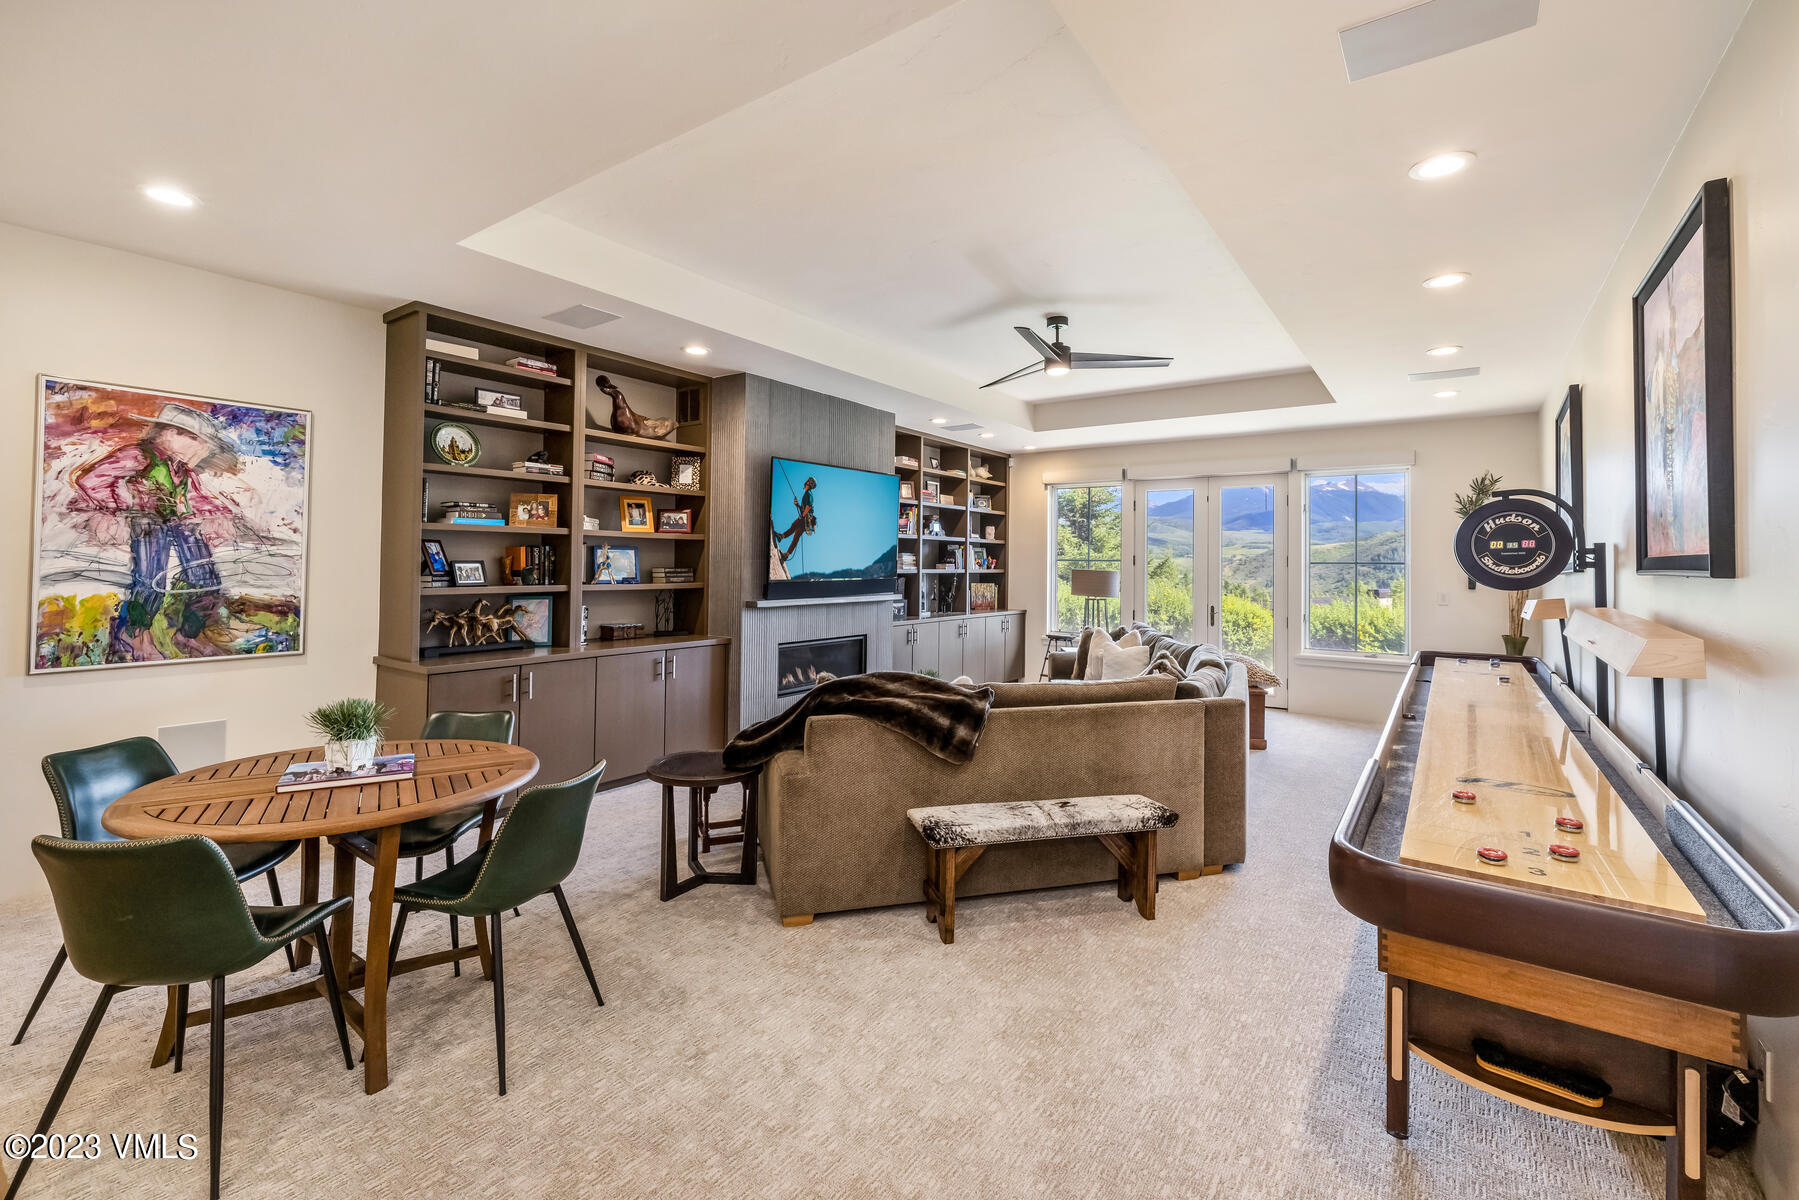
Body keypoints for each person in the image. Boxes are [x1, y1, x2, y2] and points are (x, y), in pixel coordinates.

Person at [70, 402, 241, 653]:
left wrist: (220, 515)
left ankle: (190, 633)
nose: (202, 449)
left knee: (206, 576)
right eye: (195, 439)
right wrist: (120, 507)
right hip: (147, 523)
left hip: (180, 523)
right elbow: (91, 480)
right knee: (150, 579)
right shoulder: (138, 455)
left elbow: (197, 498)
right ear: (168, 433)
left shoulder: (182, 471)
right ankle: (135, 633)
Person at [775, 476, 818, 564]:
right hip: (805, 519)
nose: (805, 480)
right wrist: (797, 505)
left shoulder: (809, 493)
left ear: (809, 483)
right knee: (794, 529)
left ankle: (784, 549)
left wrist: (802, 516)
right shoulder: (807, 493)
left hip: (804, 519)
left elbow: (808, 506)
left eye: (807, 480)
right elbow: (805, 507)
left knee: (795, 533)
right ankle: (782, 540)